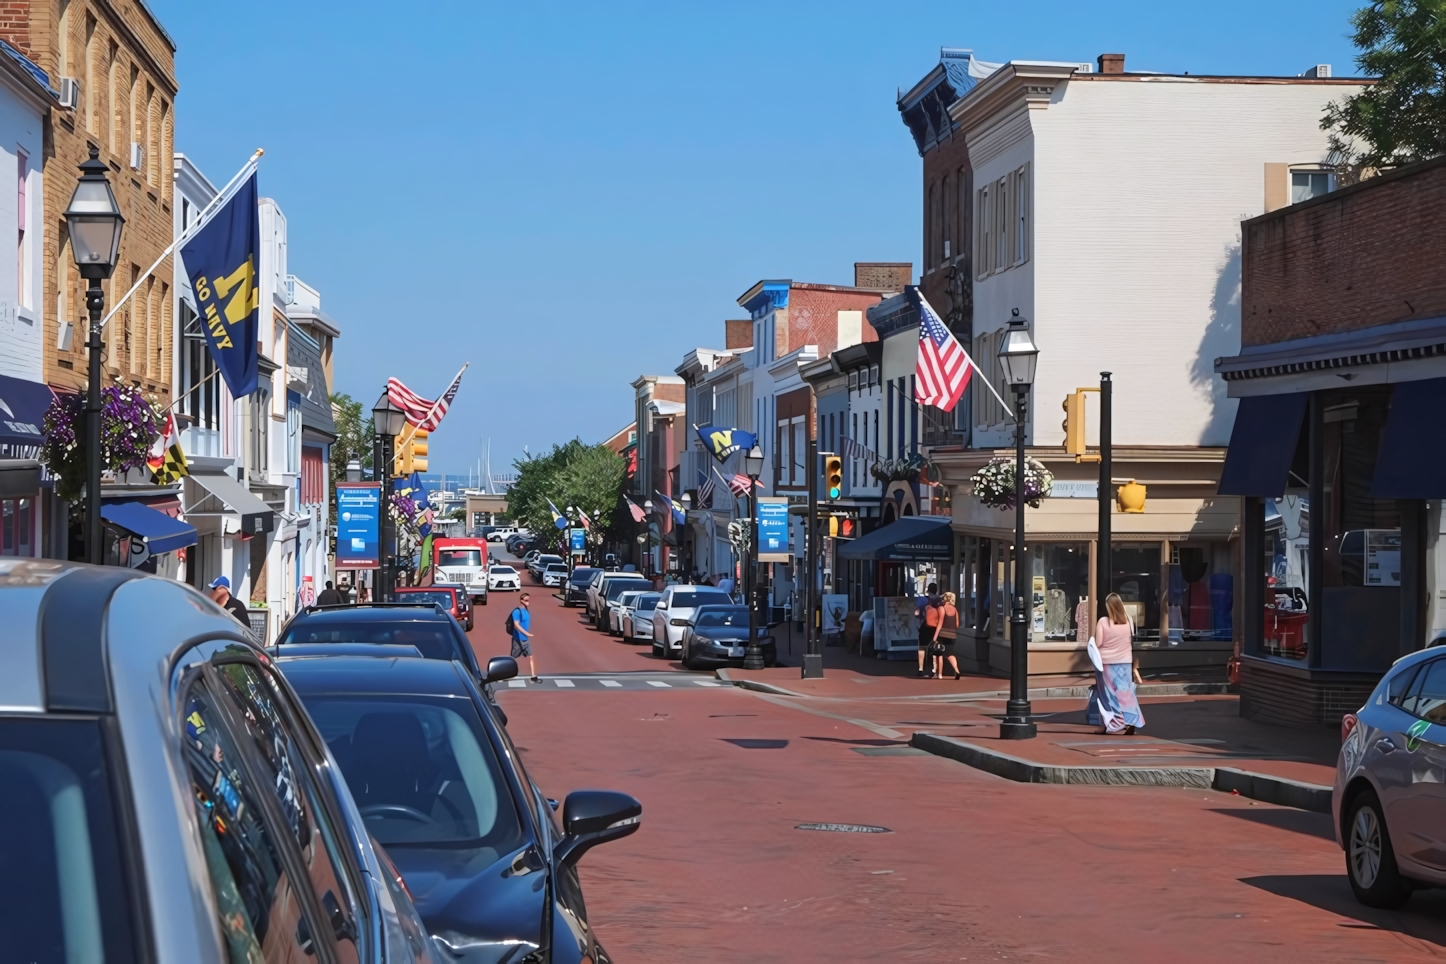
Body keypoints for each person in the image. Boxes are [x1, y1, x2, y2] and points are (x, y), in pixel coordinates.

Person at [1086, 593, 1145, 735]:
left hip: (1107, 663)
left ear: (1109, 607)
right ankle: (1131, 720)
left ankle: (1114, 722)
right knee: (1125, 693)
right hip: (1125, 662)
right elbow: (1131, 642)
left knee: (1108, 695)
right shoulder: (1129, 621)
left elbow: (1098, 643)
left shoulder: (1103, 622)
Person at [932, 591, 962, 680]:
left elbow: (940, 624)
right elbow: (957, 624)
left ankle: (940, 674)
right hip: (953, 635)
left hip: (943, 634)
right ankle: (956, 670)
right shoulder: (955, 609)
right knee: (950, 653)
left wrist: (935, 637)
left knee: (939, 653)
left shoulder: (942, 608)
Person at [509, 592, 538, 683]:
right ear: (521, 600)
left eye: (528, 600)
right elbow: (516, 625)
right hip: (518, 639)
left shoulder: (526, 610)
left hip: (525, 639)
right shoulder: (517, 611)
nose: (527, 602)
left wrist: (527, 635)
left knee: (531, 656)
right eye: (526, 600)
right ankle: (509, 673)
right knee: (513, 657)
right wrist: (527, 633)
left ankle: (533, 675)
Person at [916, 582, 942, 677]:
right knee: (934, 648)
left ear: (928, 590)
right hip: (935, 627)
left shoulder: (922, 600)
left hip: (924, 626)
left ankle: (921, 668)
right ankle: (934, 669)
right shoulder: (940, 601)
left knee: (922, 647)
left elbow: (918, 614)